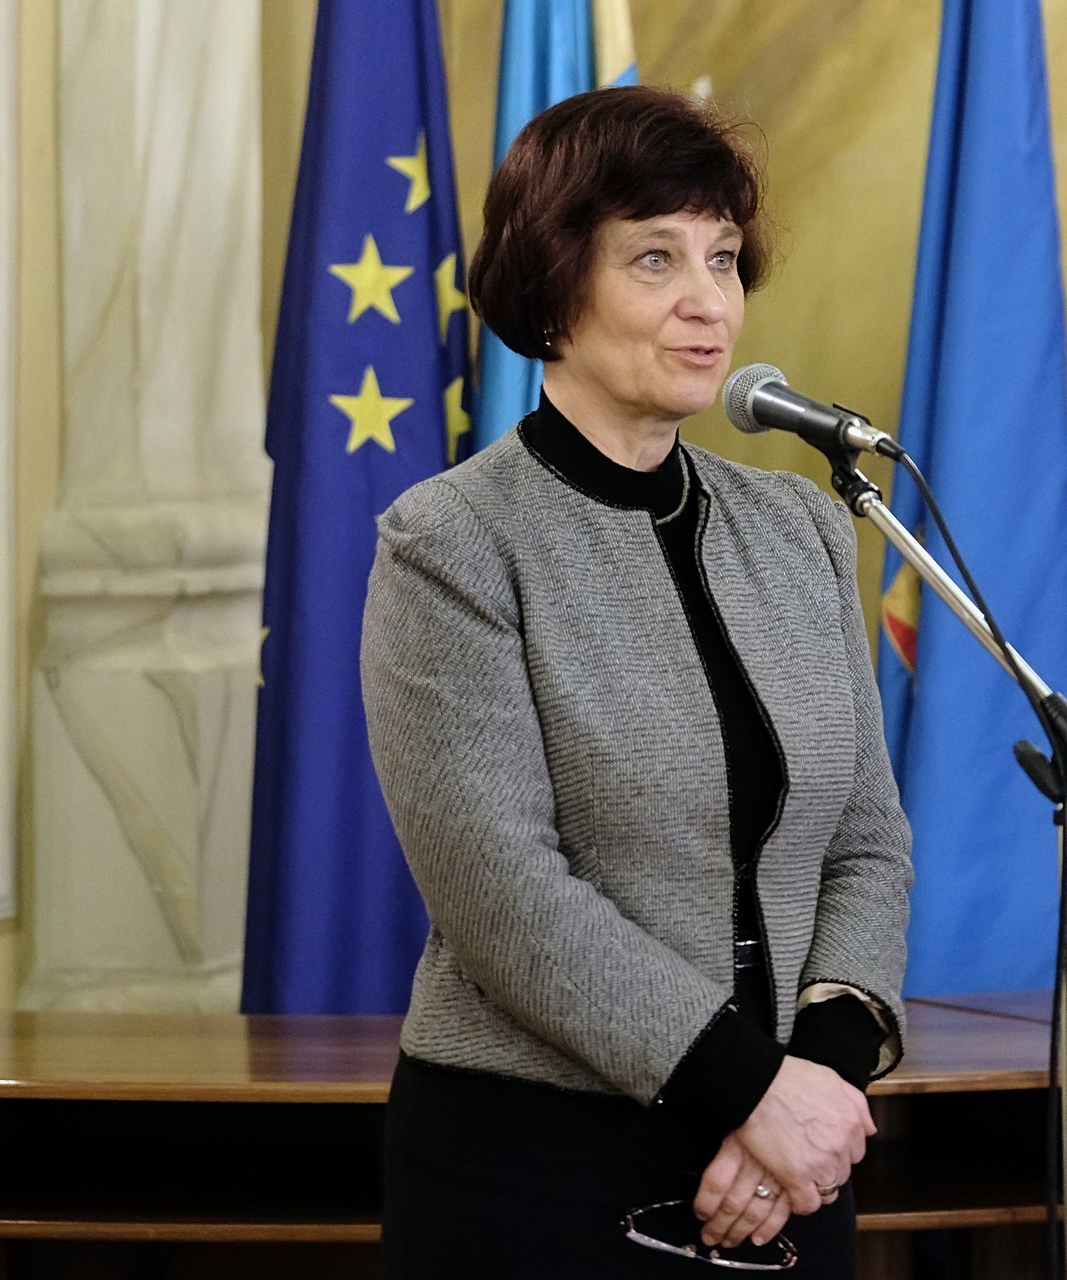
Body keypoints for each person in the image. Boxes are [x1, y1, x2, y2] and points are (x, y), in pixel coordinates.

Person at [362, 85, 914, 1278]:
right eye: (655, 257)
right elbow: (503, 893)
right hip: (536, 1165)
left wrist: (818, 1076)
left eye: (722, 255)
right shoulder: (451, 543)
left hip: (794, 1158)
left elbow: (867, 842)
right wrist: (756, 1088)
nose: (709, 299)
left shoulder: (803, 530)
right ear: (555, 285)